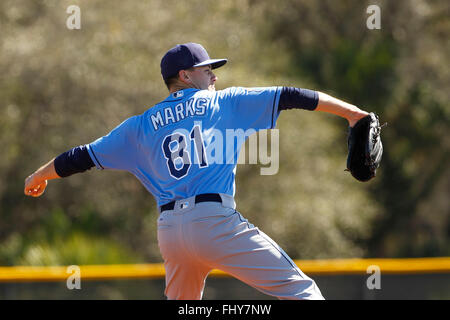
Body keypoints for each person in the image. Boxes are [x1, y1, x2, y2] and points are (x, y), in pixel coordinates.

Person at [24, 42, 369, 300]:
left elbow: (80, 157)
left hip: (171, 233)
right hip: (214, 222)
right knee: (303, 292)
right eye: (207, 70)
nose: (214, 75)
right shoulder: (224, 102)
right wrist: (354, 114)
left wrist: (39, 176)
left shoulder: (139, 126)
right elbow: (294, 95)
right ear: (186, 76)